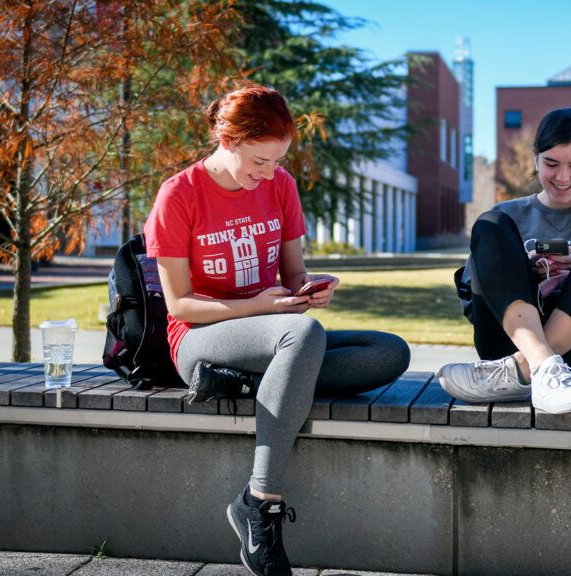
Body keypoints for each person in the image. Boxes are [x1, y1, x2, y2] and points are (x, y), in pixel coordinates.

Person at [144, 84, 410, 576]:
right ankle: (259, 503)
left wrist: (309, 289)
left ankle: (253, 384)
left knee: (389, 351)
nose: (268, 174)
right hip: (202, 337)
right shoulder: (178, 195)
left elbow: (292, 274)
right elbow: (180, 304)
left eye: (276, 161)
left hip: (270, 331)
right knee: (302, 336)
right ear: (227, 139)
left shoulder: (280, 185)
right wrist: (252, 307)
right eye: (259, 161)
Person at [438, 107, 571, 414]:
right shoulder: (508, 215)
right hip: (510, 344)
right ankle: (538, 363)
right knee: (490, 222)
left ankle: (524, 369)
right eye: (551, 163)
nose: (563, 177)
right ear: (535, 158)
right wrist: (521, 279)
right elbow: (476, 310)